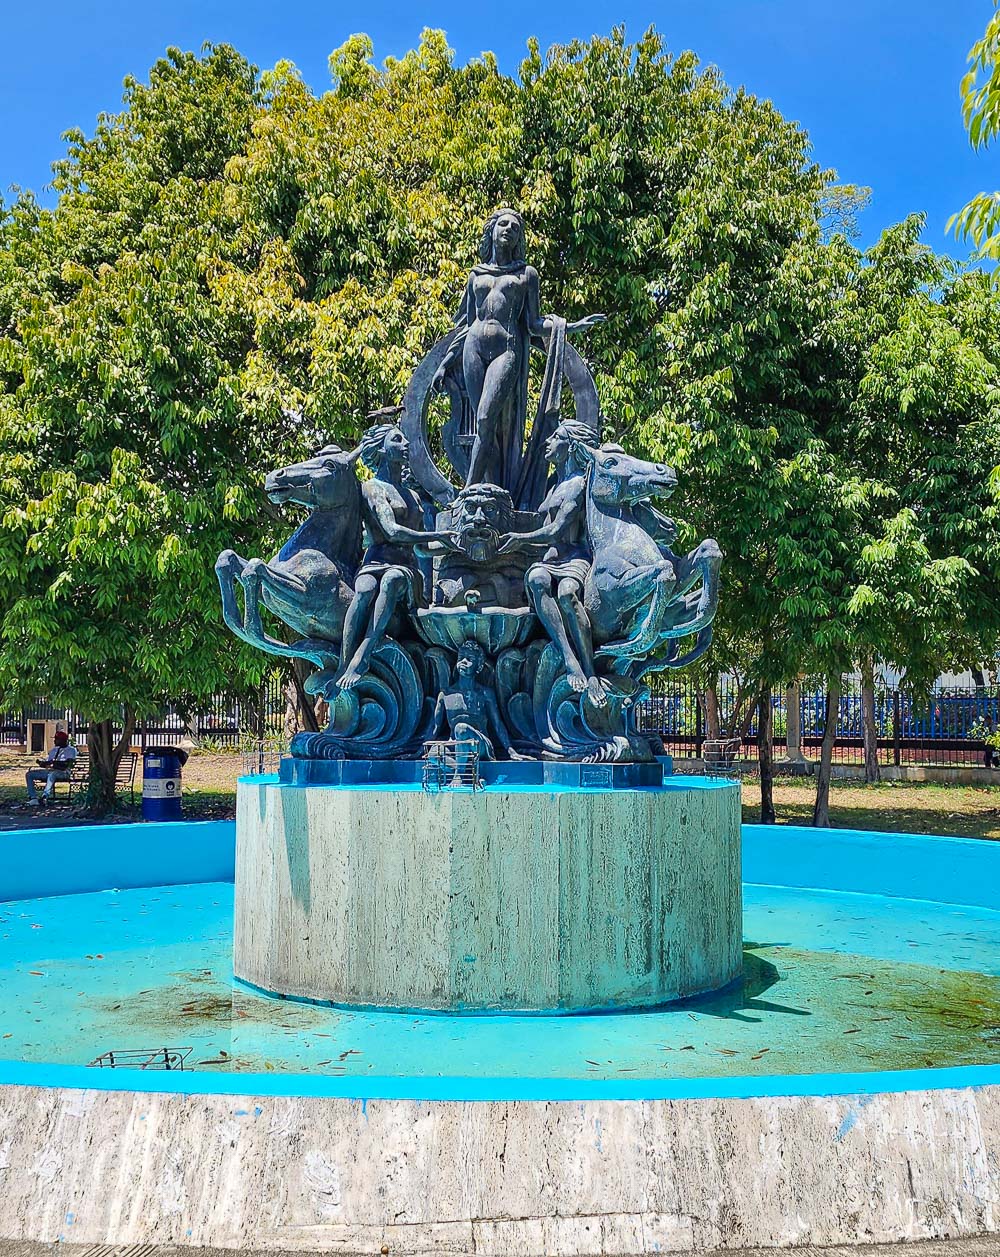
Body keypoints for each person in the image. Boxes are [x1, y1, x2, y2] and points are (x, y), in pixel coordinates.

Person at [433, 208, 604, 501]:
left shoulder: (526, 275)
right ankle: (489, 487)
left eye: (515, 227)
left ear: (518, 238)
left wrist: (571, 326)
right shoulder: (476, 275)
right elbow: (466, 324)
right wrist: (445, 364)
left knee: (485, 418)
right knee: (483, 425)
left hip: (506, 350)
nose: (508, 229)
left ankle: (469, 491)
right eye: (503, 224)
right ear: (492, 231)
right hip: (473, 348)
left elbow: (534, 324)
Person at [26, 730, 78, 805]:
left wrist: (54, 763)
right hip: (50, 771)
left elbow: (67, 764)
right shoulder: (54, 750)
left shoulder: (71, 750)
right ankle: (33, 798)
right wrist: (42, 763)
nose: (54, 741)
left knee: (52, 774)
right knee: (29, 774)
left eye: (57, 739)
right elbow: (49, 762)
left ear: (63, 740)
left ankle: (45, 796)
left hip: (63, 772)